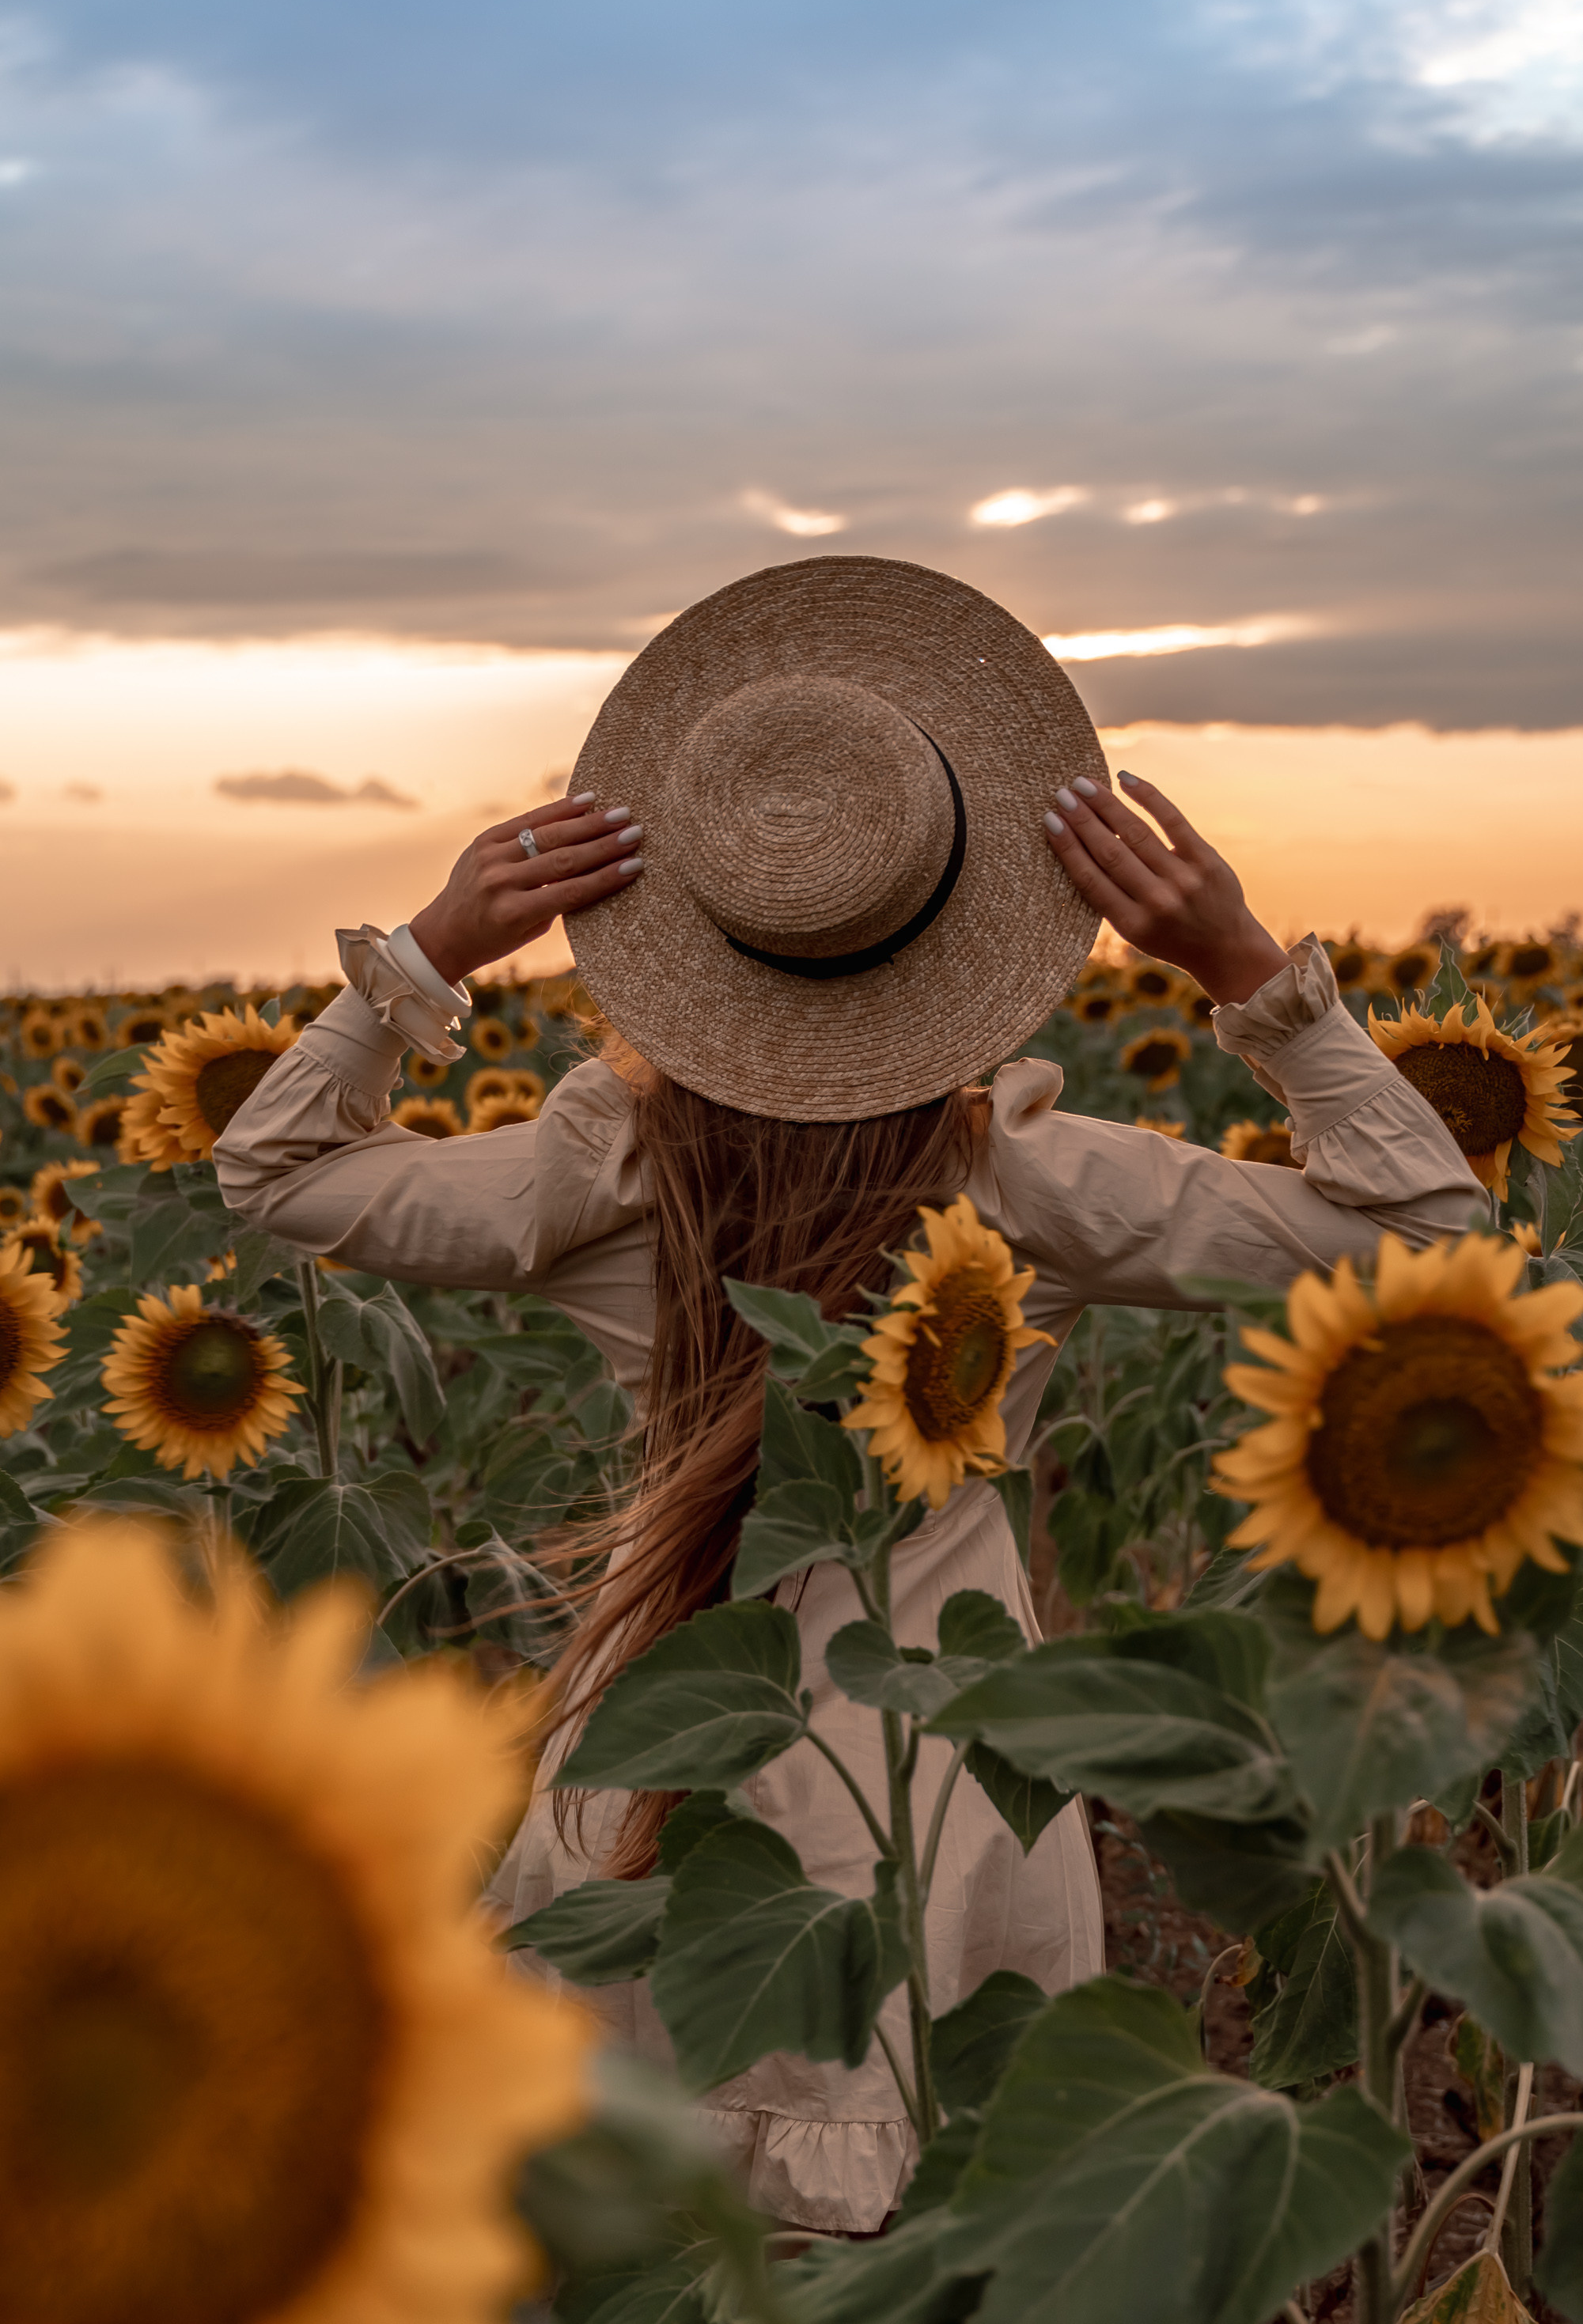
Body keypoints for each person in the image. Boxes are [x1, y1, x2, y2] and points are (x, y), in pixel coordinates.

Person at [215, 555, 1483, 2235]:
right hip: (938, 1776)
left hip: (663, 1743)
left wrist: (433, 956)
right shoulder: (1018, 1175)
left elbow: (279, 1172)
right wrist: (1247, 969)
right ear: (957, 933)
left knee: (639, 2232)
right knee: (921, 2224)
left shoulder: (607, 1173)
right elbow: (1424, 1231)